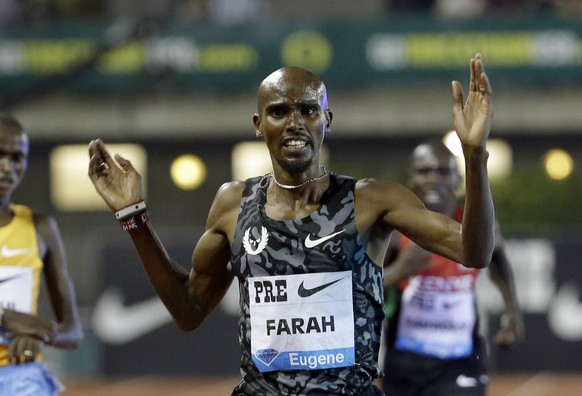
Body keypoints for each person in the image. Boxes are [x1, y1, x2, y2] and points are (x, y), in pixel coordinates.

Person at [88, 53, 495, 395]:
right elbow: (189, 310)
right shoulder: (233, 204)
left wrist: (474, 157)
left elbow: (473, 252)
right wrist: (134, 219)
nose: (295, 122)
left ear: (327, 119)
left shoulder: (371, 200)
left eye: (308, 109)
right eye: (279, 111)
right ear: (259, 124)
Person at [380, 139, 523, 396]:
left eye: (444, 171)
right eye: (424, 171)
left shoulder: (477, 228)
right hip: (405, 362)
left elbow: (499, 262)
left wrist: (512, 312)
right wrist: (399, 270)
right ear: (410, 178)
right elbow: (363, 288)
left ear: (458, 181)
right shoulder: (392, 231)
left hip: (461, 360)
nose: (433, 179)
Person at [0, 112, 83, 395]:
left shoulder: (40, 228)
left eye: (16, 158)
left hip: (19, 376)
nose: (7, 167)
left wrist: (40, 335)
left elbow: (73, 332)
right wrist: (4, 317)